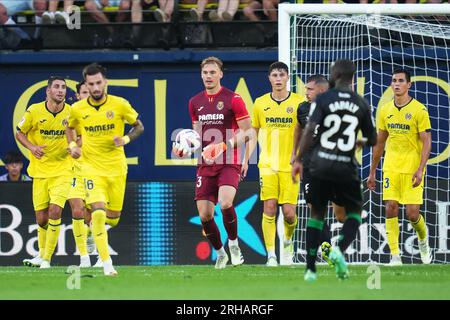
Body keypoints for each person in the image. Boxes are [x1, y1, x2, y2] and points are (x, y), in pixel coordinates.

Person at [293, 59, 377, 282]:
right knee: (353, 214)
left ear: (335, 75)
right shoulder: (361, 102)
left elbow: (309, 129)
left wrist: (298, 159)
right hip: (345, 166)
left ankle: (310, 270)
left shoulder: (324, 100)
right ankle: (338, 248)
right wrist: (359, 143)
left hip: (320, 164)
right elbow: (373, 138)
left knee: (317, 215)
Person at [173, 56, 256, 269]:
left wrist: (223, 145)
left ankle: (234, 244)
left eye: (212, 72)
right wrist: (183, 148)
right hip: (206, 162)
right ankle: (221, 253)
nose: (208, 76)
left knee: (226, 202)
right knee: (205, 214)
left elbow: (248, 132)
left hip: (230, 158)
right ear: (201, 75)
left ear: (221, 74)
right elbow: (197, 136)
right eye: (205, 73)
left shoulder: (233, 98)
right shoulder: (195, 102)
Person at [66, 63, 144, 276]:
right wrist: (73, 146)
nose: (96, 87)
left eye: (99, 82)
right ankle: (107, 264)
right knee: (98, 213)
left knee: (114, 217)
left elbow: (139, 126)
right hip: (91, 168)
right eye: (91, 84)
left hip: (117, 168)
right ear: (86, 86)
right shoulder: (78, 109)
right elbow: (70, 128)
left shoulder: (120, 105)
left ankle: (93, 230)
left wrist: (125, 139)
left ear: (105, 82)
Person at [367, 69, 432, 266]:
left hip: (412, 168)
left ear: (409, 84)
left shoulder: (419, 110)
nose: (396, 84)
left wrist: (421, 168)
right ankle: (395, 256)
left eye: (401, 81)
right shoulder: (385, 110)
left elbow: (427, 141)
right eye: (394, 80)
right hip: (391, 167)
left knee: (412, 214)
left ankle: (423, 239)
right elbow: (379, 142)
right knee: (391, 207)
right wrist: (372, 171)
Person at [244, 62, 304, 267]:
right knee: (269, 207)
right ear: (269, 78)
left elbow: (306, 133)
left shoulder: (299, 102)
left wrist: (299, 157)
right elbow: (253, 133)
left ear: (288, 78)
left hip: (290, 166)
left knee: (289, 213)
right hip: (267, 164)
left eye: (281, 75)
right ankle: (271, 255)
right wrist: (246, 160)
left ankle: (288, 240)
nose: (278, 79)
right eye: (274, 75)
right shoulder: (260, 103)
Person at [17, 76, 72, 269]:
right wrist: (32, 147)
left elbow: (81, 136)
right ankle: (41, 255)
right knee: (41, 218)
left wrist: (74, 146)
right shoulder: (34, 110)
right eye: (56, 87)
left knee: (55, 211)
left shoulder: (71, 113)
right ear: (48, 91)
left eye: (63, 87)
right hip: (40, 171)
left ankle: (46, 259)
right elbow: (19, 132)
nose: (60, 90)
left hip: (63, 170)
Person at [292, 75, 347, 265]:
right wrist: (295, 153)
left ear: (321, 91)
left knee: (340, 214)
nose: (306, 92)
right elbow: (298, 129)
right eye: (305, 89)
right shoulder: (302, 108)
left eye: (310, 89)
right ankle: (327, 249)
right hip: (310, 166)